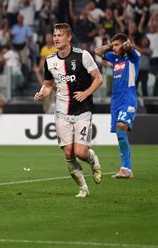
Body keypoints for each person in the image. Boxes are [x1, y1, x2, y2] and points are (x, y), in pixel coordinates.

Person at [34, 23, 103, 197]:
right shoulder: (50, 60)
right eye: (54, 35)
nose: (56, 38)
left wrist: (86, 93)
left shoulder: (83, 56)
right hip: (62, 111)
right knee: (68, 153)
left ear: (69, 37)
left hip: (83, 109)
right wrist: (42, 93)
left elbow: (98, 78)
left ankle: (93, 160)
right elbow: (49, 85)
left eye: (60, 35)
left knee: (80, 152)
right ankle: (83, 188)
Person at [94, 33, 141, 179]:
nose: (114, 48)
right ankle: (126, 168)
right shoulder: (114, 58)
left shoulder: (133, 57)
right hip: (115, 102)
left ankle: (126, 168)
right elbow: (97, 51)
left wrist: (125, 45)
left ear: (123, 44)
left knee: (121, 127)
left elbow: (130, 49)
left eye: (116, 45)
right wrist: (112, 45)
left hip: (128, 99)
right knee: (120, 133)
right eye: (112, 45)